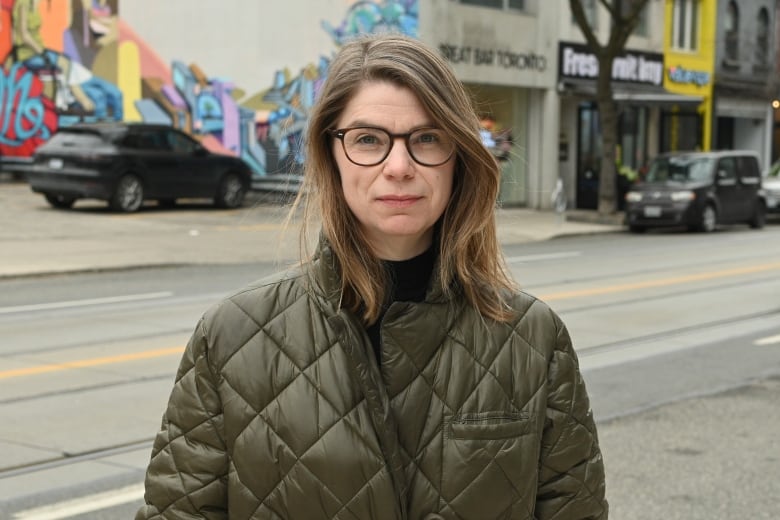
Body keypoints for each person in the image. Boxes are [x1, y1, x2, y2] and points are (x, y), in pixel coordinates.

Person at [137, 33, 608, 520]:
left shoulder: (531, 336)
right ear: (331, 153)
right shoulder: (230, 337)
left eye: (427, 138)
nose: (399, 166)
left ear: (458, 156)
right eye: (367, 139)